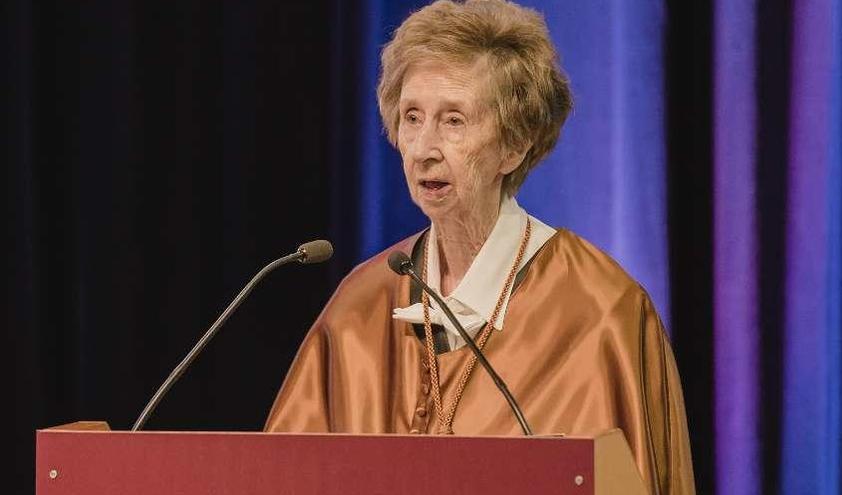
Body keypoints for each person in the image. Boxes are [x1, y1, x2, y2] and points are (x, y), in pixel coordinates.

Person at [265, 1, 694, 493]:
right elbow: (284, 474)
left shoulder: (601, 311)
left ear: (514, 145)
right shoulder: (359, 306)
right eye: (411, 117)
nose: (424, 148)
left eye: (453, 121)